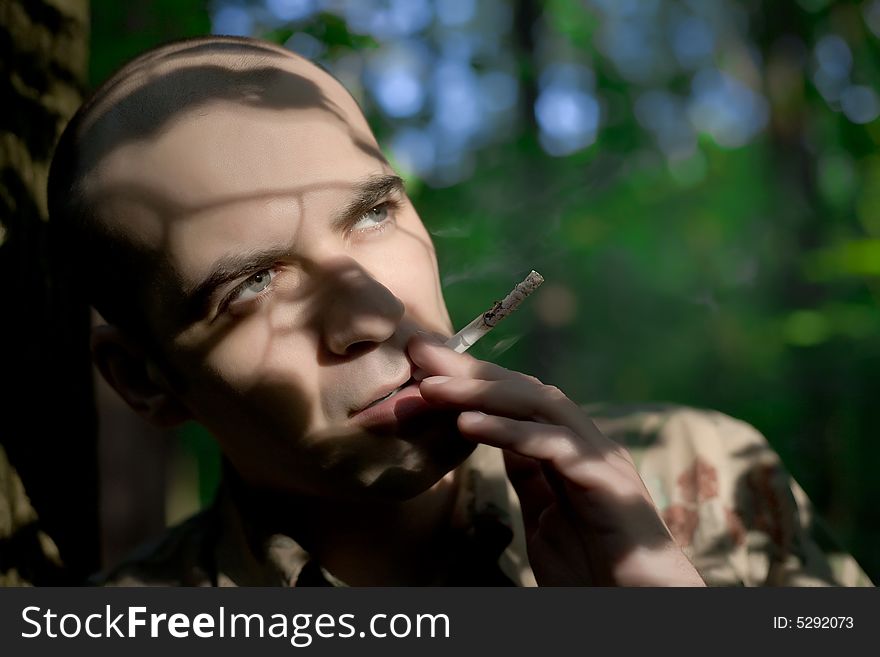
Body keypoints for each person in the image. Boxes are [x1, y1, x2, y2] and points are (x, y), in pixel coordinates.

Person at [47, 35, 871, 587]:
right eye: (254, 283)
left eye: (372, 215)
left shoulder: (715, 478)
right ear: (145, 380)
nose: (372, 310)